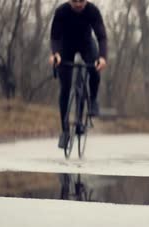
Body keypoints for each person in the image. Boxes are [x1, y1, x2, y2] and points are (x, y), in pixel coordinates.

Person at [49, 0, 108, 148]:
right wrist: (55, 54)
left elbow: (101, 36)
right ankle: (65, 130)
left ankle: (93, 100)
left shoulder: (92, 11)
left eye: (81, 1)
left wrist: (102, 57)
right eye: (75, 1)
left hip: (86, 44)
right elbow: (55, 37)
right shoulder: (61, 11)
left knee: (95, 67)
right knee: (65, 87)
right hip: (65, 46)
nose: (78, 5)